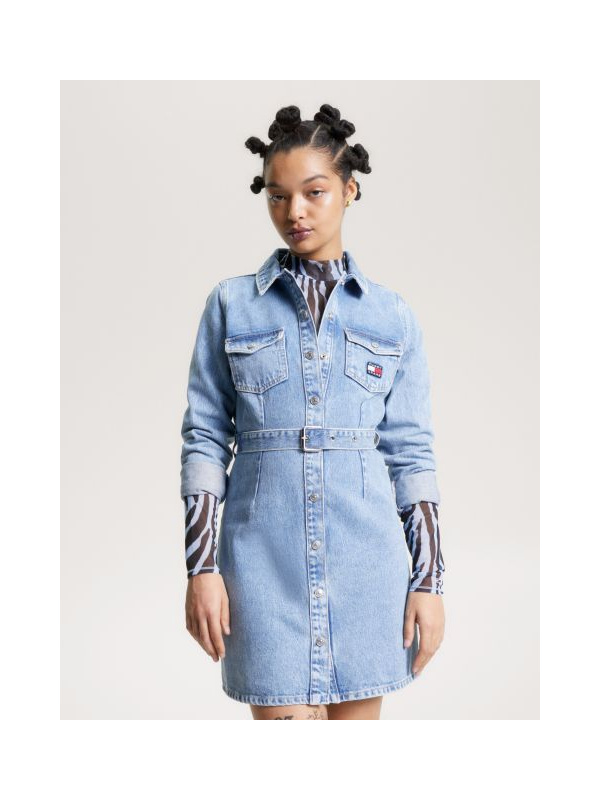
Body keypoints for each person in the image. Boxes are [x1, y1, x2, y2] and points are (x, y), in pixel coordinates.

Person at [180, 104, 445, 721]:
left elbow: (411, 456)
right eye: (277, 196)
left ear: (349, 190)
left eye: (313, 192)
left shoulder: (392, 316)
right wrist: (202, 568)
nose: (293, 211)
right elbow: (204, 441)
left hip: (367, 571)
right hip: (260, 572)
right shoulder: (231, 305)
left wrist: (429, 581)